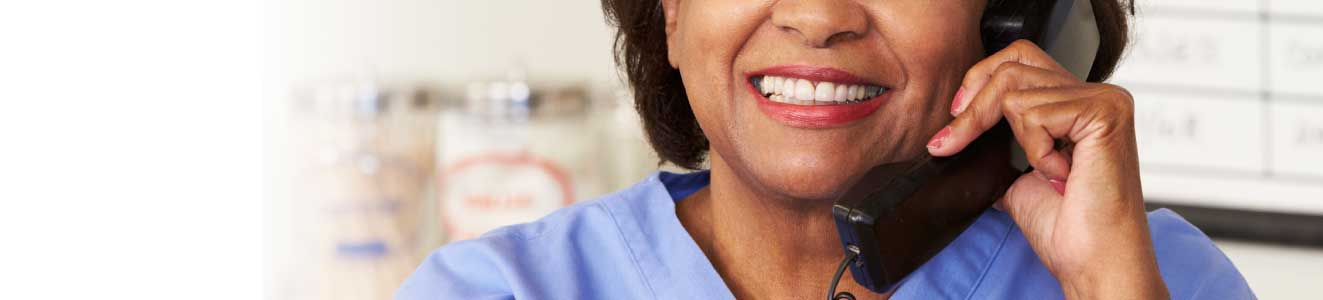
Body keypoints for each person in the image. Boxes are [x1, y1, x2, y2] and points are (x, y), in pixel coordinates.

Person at [395, 0, 1253, 298]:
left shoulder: (1159, 280)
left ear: (1010, 23)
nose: (818, 16)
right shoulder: (500, 292)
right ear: (671, 14)